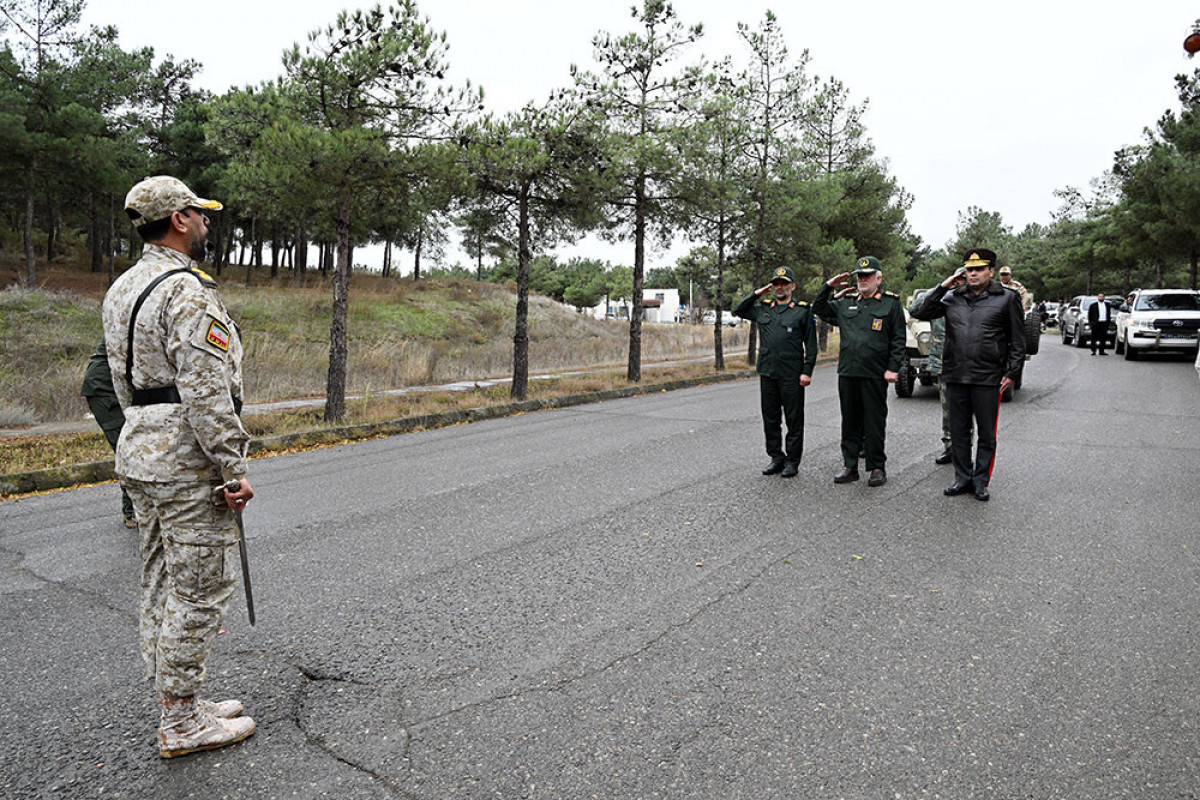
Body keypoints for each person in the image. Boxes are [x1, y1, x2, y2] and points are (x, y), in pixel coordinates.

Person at [102, 175, 256, 758]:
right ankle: (182, 721)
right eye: (200, 213)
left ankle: (180, 699)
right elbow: (205, 389)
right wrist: (231, 464)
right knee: (200, 587)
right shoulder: (187, 291)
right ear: (179, 220)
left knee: (161, 578)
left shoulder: (124, 287)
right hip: (186, 457)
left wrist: (144, 430)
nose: (207, 222)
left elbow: (120, 380)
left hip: (141, 445)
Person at [912, 249, 1025, 501]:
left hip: (988, 377)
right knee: (959, 432)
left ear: (991, 271)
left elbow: (1018, 339)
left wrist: (1012, 373)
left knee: (986, 433)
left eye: (979, 269)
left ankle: (981, 481)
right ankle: (962, 477)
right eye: (969, 269)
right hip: (955, 374)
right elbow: (920, 311)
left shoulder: (1007, 298)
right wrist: (943, 286)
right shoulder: (952, 297)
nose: (972, 273)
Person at [812, 256, 905, 487]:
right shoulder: (845, 303)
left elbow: (899, 339)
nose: (863, 280)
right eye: (860, 276)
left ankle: (876, 467)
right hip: (849, 372)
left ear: (878, 278)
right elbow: (819, 309)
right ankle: (850, 466)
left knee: (874, 421)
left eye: (868, 275)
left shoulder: (890, 304)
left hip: (875, 373)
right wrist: (828, 286)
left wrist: (893, 368)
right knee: (850, 421)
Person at [734, 266, 818, 478]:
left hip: (792, 373)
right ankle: (776, 457)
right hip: (768, 372)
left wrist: (807, 371)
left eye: (784, 283)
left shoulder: (802, 310)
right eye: (776, 284)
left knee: (793, 419)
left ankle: (792, 461)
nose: (780, 287)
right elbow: (739, 310)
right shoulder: (764, 308)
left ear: (792, 286)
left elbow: (811, 343)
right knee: (770, 418)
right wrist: (757, 293)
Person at [80, 339, 136, 527]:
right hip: (105, 391)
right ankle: (132, 512)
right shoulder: (130, 318)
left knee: (131, 447)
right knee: (127, 448)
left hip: (117, 387)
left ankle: (135, 509)